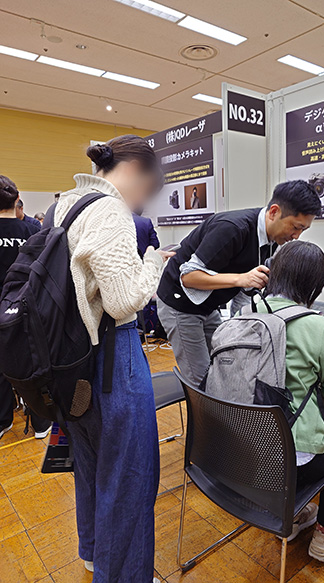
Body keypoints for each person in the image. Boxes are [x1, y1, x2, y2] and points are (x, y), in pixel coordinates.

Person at [54, 135, 171, 583]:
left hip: (72, 359)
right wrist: (153, 262)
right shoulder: (112, 211)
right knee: (130, 477)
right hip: (112, 356)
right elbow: (123, 302)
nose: (145, 201)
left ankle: (93, 551)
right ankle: (124, 575)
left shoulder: (67, 204)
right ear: (137, 172)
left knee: (90, 464)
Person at [157, 180, 321, 386]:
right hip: (179, 303)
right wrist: (240, 278)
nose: (296, 236)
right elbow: (188, 278)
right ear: (274, 212)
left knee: (223, 365)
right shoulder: (232, 228)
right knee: (200, 381)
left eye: (303, 230)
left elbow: (246, 291)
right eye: (296, 227)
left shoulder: (270, 241)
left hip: (207, 306)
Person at [259, 241, 324, 562]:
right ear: (315, 284)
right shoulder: (316, 325)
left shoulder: (248, 313)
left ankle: (289, 519)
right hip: (296, 458)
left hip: (249, 452)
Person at [0, 176, 51, 440]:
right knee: (31, 362)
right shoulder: (33, 232)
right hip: (27, 309)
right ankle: (41, 422)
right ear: (17, 199)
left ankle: (3, 420)